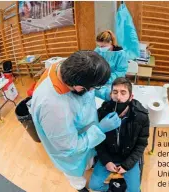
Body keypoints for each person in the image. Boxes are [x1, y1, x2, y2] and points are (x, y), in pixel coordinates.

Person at [30, 51, 122, 192]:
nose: (93, 90)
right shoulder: (52, 107)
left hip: (86, 131)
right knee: (76, 173)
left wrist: (103, 93)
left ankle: (89, 162)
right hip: (71, 151)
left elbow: (88, 88)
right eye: (94, 88)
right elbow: (70, 147)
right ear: (80, 87)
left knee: (89, 157)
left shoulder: (68, 67)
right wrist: (100, 129)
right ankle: (78, 186)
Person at [89, 77, 149, 192]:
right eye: (115, 92)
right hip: (109, 155)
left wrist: (127, 165)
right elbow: (98, 140)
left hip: (128, 157)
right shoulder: (101, 113)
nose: (118, 97)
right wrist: (106, 161)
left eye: (123, 93)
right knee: (94, 186)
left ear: (131, 97)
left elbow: (141, 144)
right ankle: (115, 187)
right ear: (110, 94)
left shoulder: (141, 116)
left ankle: (122, 186)